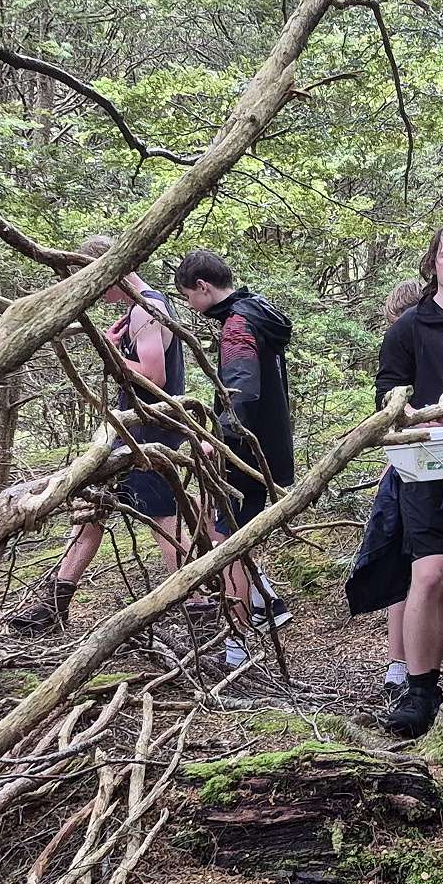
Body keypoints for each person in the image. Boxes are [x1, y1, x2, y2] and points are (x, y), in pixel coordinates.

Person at [12, 236, 190, 635]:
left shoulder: (147, 309)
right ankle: (54, 604)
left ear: (114, 269)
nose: (95, 290)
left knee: (162, 515)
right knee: (91, 507)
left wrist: (111, 353)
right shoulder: (136, 310)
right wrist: (114, 345)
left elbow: (154, 376)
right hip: (129, 428)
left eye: (95, 278)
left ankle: (198, 604)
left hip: (150, 430)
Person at [378, 221, 443, 738]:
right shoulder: (411, 326)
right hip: (425, 465)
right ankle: (418, 690)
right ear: (433, 263)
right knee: (430, 571)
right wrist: (424, 419)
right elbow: (387, 397)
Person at [174, 250, 296, 664]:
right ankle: (267, 602)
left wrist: (219, 437)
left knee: (227, 541)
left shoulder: (238, 324)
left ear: (203, 287)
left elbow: (242, 387)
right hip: (268, 449)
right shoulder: (257, 311)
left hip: (245, 452)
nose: (191, 305)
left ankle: (237, 646)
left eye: (189, 296)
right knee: (223, 528)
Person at [345, 278, 429, 704]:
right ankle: (402, 663)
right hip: (406, 467)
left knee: (412, 568)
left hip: (417, 468)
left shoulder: (418, 343)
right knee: (414, 568)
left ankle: (403, 662)